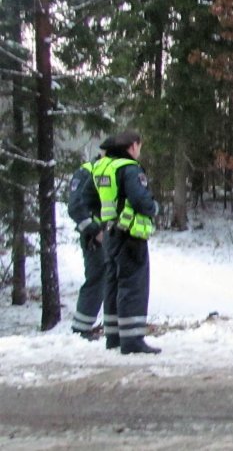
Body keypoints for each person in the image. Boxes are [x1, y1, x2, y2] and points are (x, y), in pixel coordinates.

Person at [94, 131, 161, 355]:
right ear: (132, 146)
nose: (139, 150)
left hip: (111, 234)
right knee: (133, 285)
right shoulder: (130, 168)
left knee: (113, 284)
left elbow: (90, 199)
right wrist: (154, 208)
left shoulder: (102, 168)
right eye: (139, 146)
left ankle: (114, 336)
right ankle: (132, 340)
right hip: (131, 235)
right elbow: (140, 199)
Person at [66, 139, 112, 340]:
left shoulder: (106, 173)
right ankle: (81, 329)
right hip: (94, 236)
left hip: (107, 234)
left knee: (107, 278)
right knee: (97, 277)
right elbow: (76, 207)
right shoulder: (87, 172)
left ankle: (94, 326)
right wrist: (94, 231)